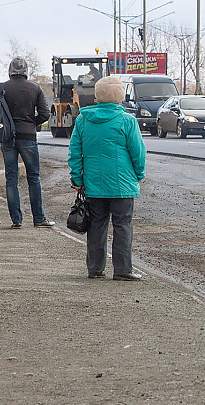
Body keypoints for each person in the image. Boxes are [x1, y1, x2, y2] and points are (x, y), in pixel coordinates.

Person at [68, 76, 146, 281]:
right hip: (122, 185)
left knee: (96, 225)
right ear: (120, 96)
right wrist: (139, 174)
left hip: (94, 184)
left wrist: (78, 178)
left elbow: (74, 152)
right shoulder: (127, 121)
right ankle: (122, 270)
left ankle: (95, 268)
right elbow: (138, 152)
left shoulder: (83, 120)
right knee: (122, 226)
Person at [1, 56, 54, 228]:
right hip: (28, 136)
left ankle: (16, 220)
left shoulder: (2, 88)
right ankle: (39, 218)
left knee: (11, 178)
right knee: (34, 177)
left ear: (10, 70)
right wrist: (32, 123)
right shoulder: (35, 88)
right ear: (25, 71)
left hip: (7, 137)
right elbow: (45, 114)